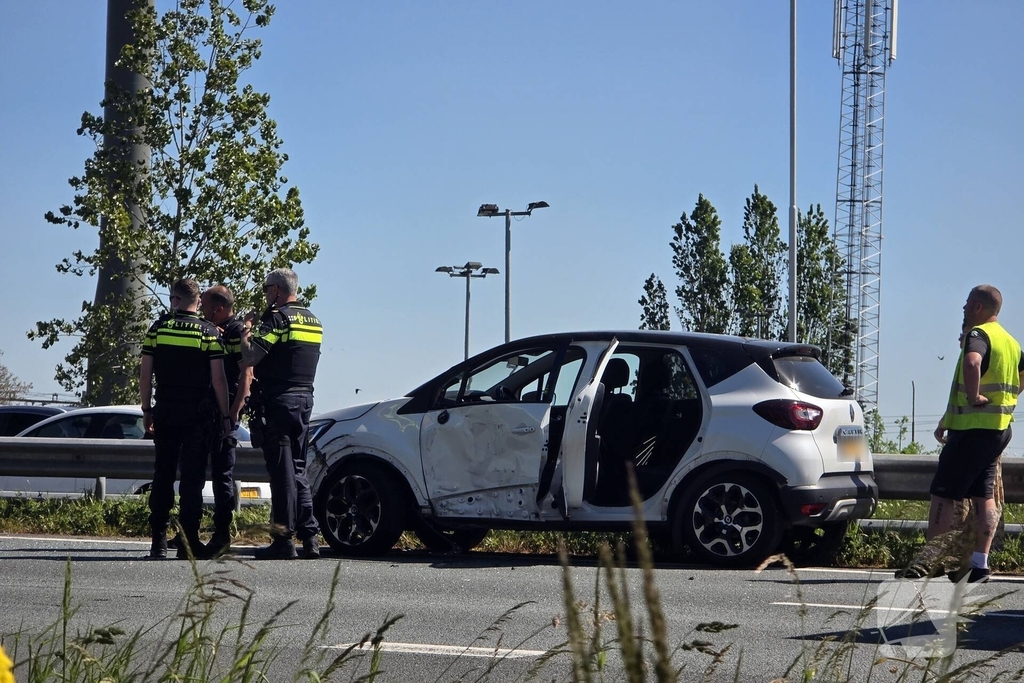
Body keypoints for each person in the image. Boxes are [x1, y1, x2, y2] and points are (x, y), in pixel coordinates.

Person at [926, 285, 1024, 583]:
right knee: (984, 496)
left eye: (967, 305)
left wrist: (974, 396)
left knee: (943, 494)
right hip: (997, 431)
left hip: (971, 431)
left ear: (979, 307)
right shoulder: (1011, 342)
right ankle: (980, 563)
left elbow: (972, 362)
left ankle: (931, 560)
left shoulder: (978, 335)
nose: (964, 311)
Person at [141, 278, 232, 560]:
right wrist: (226, 415)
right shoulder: (208, 333)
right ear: (198, 302)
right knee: (192, 480)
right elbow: (218, 380)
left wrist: (147, 410)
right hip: (197, 416)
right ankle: (188, 542)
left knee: (163, 474)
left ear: (175, 299)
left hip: (165, 411)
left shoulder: (158, 328)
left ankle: (158, 541)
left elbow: (145, 374)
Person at [240, 267, 323, 560]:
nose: (265, 295)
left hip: (279, 402)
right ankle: (310, 537)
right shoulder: (314, 320)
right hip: (305, 401)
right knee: (298, 469)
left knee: (281, 473)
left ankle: (283, 540)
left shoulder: (277, 318)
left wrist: (246, 330)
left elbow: (251, 356)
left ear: (276, 290)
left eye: (266, 289)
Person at [199, 285, 253, 556]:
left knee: (222, 477)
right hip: (207, 411)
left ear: (218, 309)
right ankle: (188, 532)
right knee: (195, 473)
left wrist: (232, 414)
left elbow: (246, 374)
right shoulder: (213, 330)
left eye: (205, 306)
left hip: (224, 413)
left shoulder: (235, 332)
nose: (201, 310)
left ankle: (221, 536)